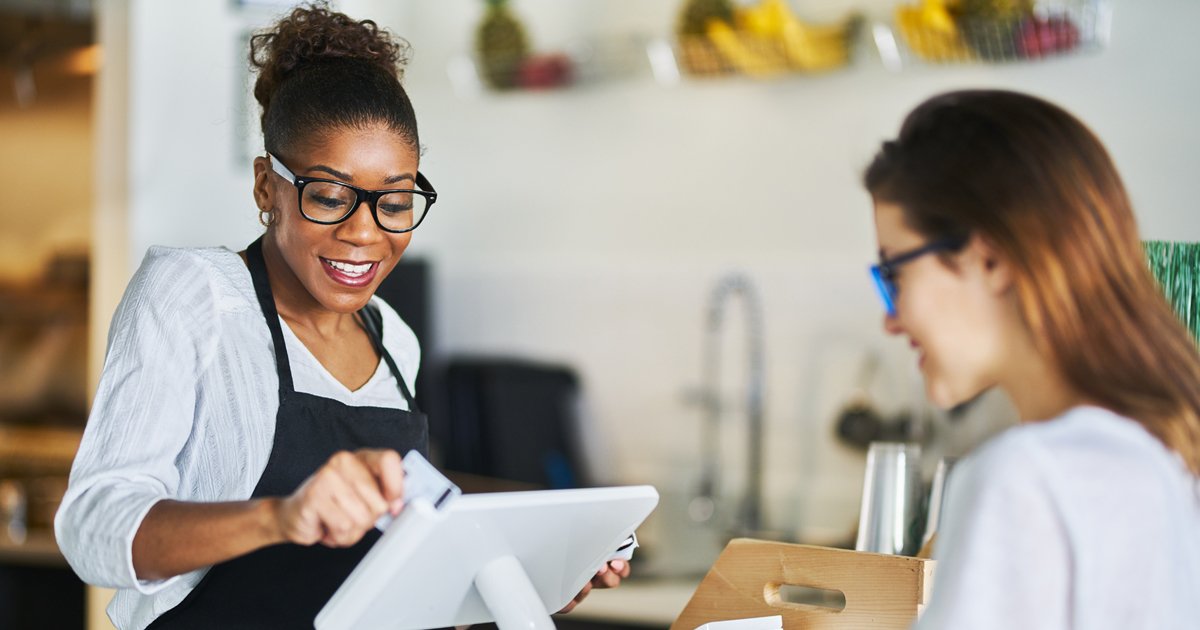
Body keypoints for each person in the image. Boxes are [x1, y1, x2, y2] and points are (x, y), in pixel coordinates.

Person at [55, 6, 626, 629]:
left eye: (396, 201)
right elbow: (92, 528)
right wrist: (280, 516)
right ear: (266, 188)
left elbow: (398, 582)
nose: (365, 232)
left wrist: (534, 575)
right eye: (329, 195)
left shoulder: (393, 339)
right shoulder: (193, 295)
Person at [863, 89, 1200, 629]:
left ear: (991, 258)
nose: (890, 317)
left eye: (894, 274)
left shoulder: (1026, 478)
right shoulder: (1165, 459)